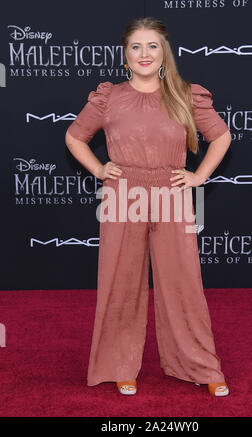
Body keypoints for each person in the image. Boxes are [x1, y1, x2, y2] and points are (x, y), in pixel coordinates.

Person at [65, 17, 232, 397]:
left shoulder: (185, 95)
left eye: (152, 46)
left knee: (183, 282)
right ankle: (120, 365)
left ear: (164, 54)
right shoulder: (109, 97)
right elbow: (74, 137)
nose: (144, 53)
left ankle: (200, 364)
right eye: (136, 47)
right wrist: (99, 168)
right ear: (125, 55)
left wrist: (198, 175)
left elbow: (221, 136)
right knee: (120, 282)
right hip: (123, 196)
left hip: (172, 195)